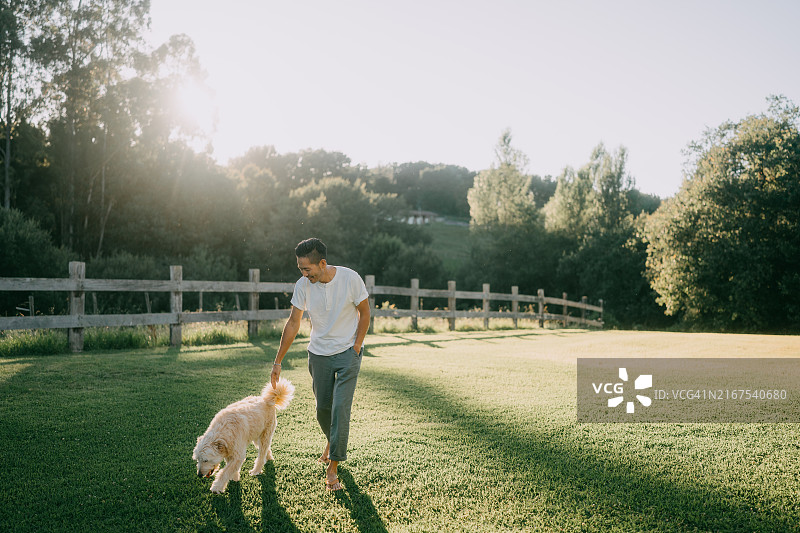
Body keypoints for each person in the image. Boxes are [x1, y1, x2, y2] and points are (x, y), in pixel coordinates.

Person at [270, 237, 370, 492]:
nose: (304, 274)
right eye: (300, 269)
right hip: (318, 355)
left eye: (307, 269)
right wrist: (278, 361)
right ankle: (331, 441)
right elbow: (293, 323)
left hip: (347, 353)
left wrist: (357, 346)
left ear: (322, 263)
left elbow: (365, 312)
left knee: (340, 409)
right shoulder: (303, 285)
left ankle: (333, 467)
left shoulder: (350, 279)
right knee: (323, 409)